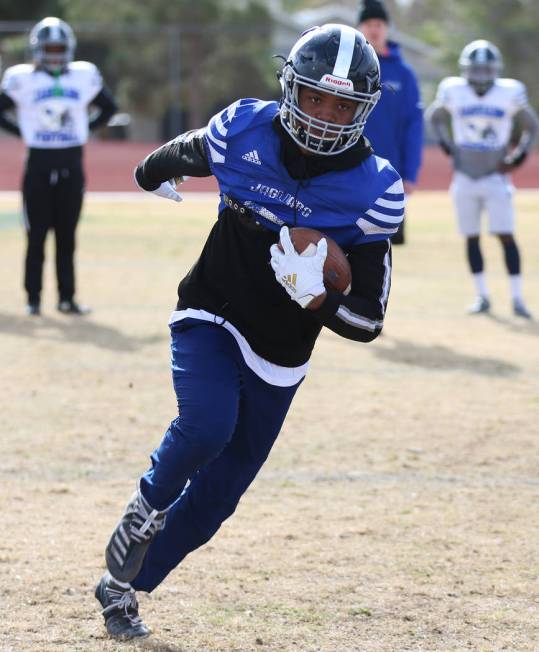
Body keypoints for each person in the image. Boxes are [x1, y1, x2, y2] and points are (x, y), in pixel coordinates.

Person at [94, 24, 404, 640]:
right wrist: (149, 173)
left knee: (217, 500)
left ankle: (122, 587)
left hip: (282, 351)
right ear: (289, 87)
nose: (323, 115)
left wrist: (315, 297)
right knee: (207, 423)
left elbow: (368, 319)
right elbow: (188, 150)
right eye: (314, 97)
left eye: (341, 105)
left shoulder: (376, 187)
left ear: (362, 110)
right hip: (210, 310)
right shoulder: (243, 128)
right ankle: (147, 504)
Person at [0, 17, 117, 316]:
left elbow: (109, 107)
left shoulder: (83, 75)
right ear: (37, 49)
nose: (53, 54)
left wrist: (86, 128)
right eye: (48, 48)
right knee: (35, 235)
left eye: (58, 48)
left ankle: (67, 298)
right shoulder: (21, 78)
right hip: (38, 161)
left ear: (68, 49)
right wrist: (22, 133)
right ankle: (33, 300)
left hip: (71, 160)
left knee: (67, 234)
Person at [427, 40, 539, 318]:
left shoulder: (509, 91)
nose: (480, 75)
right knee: (471, 237)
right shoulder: (453, 89)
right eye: (475, 70)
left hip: (495, 176)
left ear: (495, 70)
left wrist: (520, 155)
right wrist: (445, 143)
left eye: (485, 69)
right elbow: (435, 117)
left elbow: (531, 124)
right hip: (464, 176)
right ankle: (482, 296)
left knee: (505, 234)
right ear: (466, 70)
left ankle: (517, 298)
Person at [357, 0, 423, 245]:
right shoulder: (350, 68)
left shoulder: (404, 73)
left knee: (389, 243)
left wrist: (411, 172)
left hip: (390, 175)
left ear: (387, 28)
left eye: (379, 24)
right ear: (360, 27)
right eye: (369, 23)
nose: (374, 29)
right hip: (351, 169)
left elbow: (413, 125)